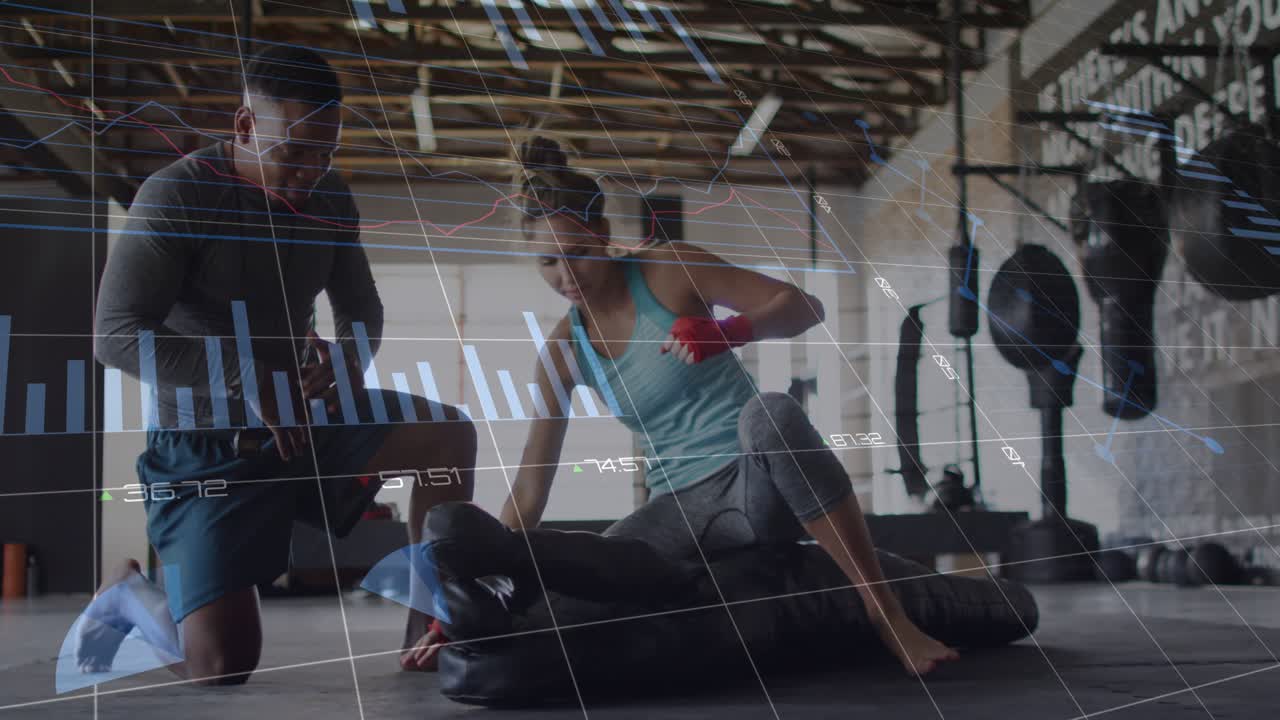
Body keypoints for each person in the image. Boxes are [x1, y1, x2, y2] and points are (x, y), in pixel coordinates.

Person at [401, 136, 959, 676]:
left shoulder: (668, 270)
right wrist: (470, 596)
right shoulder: (562, 352)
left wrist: (730, 331)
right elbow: (528, 491)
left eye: (578, 254)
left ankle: (885, 613)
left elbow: (804, 306)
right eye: (548, 263)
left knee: (771, 413)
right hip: (677, 511)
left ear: (604, 234)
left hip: (754, 481)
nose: (566, 276)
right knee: (590, 565)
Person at [84, 45, 474, 685]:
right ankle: (129, 588)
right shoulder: (175, 196)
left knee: (447, 434)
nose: (308, 174)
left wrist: (346, 365)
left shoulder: (329, 196)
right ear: (244, 126)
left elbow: (362, 311)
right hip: (209, 447)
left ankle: (425, 635)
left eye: (324, 153)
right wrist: (243, 374)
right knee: (219, 668)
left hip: (308, 422)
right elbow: (114, 335)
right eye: (292, 153)